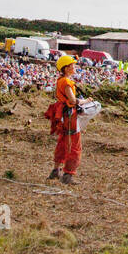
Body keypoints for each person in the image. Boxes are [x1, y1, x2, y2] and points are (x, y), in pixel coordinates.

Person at [48, 55, 81, 185]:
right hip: (69, 116)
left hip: (63, 115)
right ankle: (68, 174)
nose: (74, 67)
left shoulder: (60, 80)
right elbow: (72, 100)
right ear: (66, 68)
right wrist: (84, 101)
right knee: (73, 144)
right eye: (72, 65)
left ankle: (56, 170)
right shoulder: (67, 82)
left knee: (62, 142)